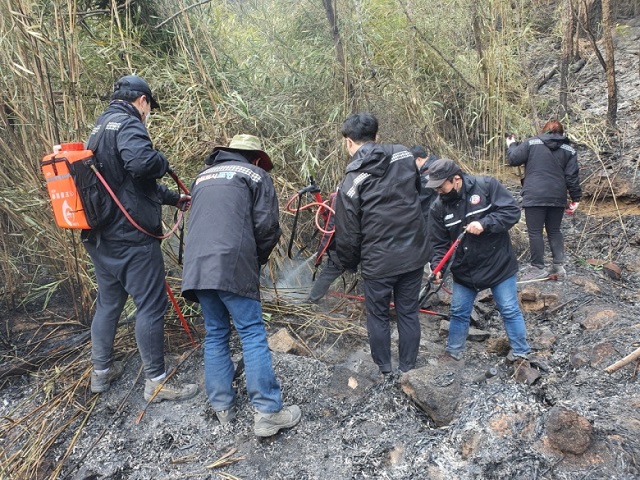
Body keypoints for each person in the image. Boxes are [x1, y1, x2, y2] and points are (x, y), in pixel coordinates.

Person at [84, 75, 197, 402]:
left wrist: (173, 198)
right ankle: (157, 383)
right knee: (151, 305)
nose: (149, 114)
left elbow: (130, 185)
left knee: (109, 303)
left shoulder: (99, 128)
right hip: (130, 238)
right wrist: (162, 159)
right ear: (142, 101)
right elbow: (142, 163)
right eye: (150, 108)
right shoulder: (129, 124)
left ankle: (101, 373)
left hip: (100, 237)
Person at [181, 134, 301, 437]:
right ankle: (268, 412)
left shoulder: (202, 177)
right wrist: (255, 259)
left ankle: (222, 406)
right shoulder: (256, 175)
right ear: (257, 158)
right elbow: (267, 226)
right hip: (232, 263)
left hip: (197, 266)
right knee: (251, 332)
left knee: (217, 332)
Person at [334, 113, 429, 376]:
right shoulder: (404, 156)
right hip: (413, 253)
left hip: (379, 261)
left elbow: (348, 231)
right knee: (408, 312)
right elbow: (417, 194)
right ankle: (408, 368)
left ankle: (386, 370)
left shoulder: (352, 180)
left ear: (349, 143)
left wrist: (350, 263)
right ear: (377, 137)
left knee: (377, 316)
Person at [426, 159, 531, 363]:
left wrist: (485, 223)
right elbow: (439, 245)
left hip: (498, 264)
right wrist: (437, 266)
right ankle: (453, 353)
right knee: (458, 312)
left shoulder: (486, 187)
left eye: (441, 186)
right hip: (466, 271)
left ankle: (522, 353)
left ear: (456, 179)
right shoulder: (437, 208)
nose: (437, 191)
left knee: (509, 309)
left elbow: (512, 212)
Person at [506, 119, 581, 280]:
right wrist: (576, 198)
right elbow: (572, 177)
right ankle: (558, 266)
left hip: (534, 195)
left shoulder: (532, 143)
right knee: (554, 230)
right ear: (562, 134)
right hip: (557, 196)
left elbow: (513, 159)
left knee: (535, 232)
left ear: (543, 130)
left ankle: (538, 267)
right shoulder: (569, 149)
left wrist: (511, 144)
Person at [306, 192, 346, 304]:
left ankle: (312, 299)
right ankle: (312, 300)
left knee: (330, 271)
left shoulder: (342, 196)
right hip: (343, 246)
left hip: (342, 245)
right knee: (331, 270)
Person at [409, 145, 439, 225]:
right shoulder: (436, 164)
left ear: (418, 159)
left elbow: (419, 195)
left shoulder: (428, 174)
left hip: (432, 214)